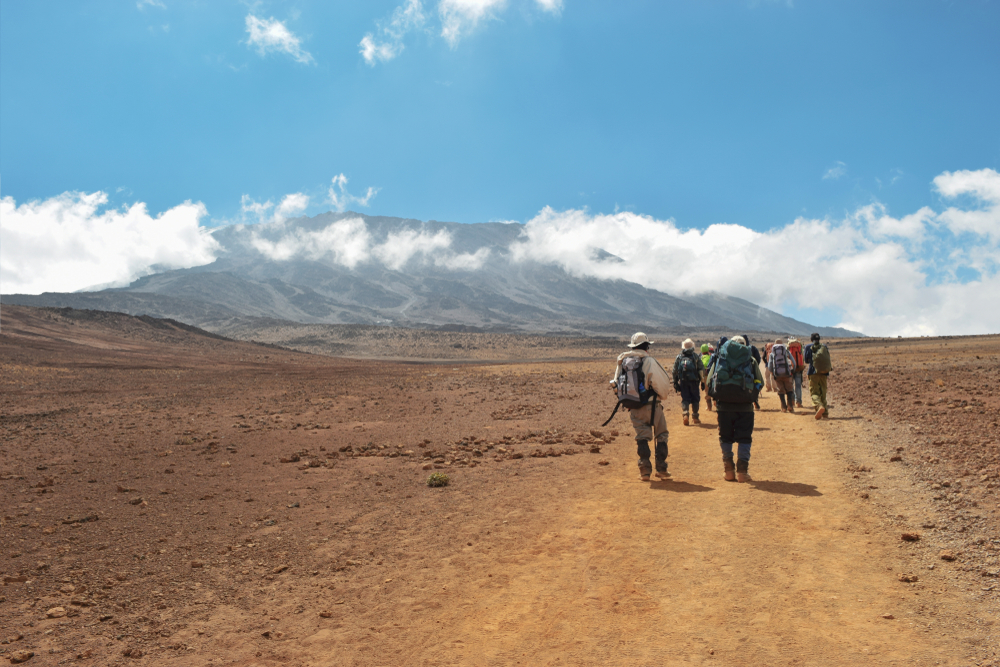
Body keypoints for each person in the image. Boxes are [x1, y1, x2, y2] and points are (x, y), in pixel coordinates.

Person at [611, 332, 673, 481]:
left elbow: (616, 384)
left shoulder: (623, 362)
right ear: (646, 346)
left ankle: (644, 470)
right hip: (653, 405)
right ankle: (661, 468)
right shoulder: (649, 361)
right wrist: (660, 396)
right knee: (661, 434)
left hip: (634, 407)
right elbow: (662, 383)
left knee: (641, 437)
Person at [705, 336, 763, 482]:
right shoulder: (751, 359)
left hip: (723, 406)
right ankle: (742, 472)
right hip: (745, 407)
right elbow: (759, 381)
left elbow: (709, 380)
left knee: (725, 437)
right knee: (744, 437)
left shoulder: (721, 358)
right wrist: (752, 395)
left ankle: (729, 470)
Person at [673, 338, 706, 426]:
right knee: (695, 398)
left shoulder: (679, 357)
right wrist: (702, 382)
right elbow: (701, 369)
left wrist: (675, 382)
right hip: (694, 382)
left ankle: (685, 414)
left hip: (683, 381)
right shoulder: (695, 356)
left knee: (685, 398)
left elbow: (674, 371)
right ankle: (695, 418)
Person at [804, 333, 833, 419]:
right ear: (819, 339)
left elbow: (806, 360)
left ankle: (819, 406)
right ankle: (825, 413)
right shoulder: (824, 346)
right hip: (824, 373)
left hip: (813, 372)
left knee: (814, 392)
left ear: (811, 339)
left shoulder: (808, 346)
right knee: (823, 392)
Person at [767, 338, 796, 413]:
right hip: (787, 374)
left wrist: (772, 373)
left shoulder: (772, 353)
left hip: (777, 374)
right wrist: (792, 370)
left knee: (780, 390)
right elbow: (794, 363)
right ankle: (790, 406)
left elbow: (770, 365)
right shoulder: (786, 351)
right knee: (789, 389)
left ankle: (783, 407)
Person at [742, 335, 762, 411]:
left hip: (742, 372)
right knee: (754, 386)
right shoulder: (752, 348)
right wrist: (754, 367)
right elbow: (758, 359)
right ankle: (755, 402)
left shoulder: (738, 349)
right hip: (752, 371)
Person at [786, 337, 806, 408]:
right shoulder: (799, 346)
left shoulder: (788, 346)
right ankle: (799, 402)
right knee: (798, 386)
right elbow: (802, 356)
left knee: (791, 385)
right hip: (799, 368)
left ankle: (792, 401)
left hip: (791, 368)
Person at [700, 344, 714, 411]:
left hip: (705, 375)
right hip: (712, 375)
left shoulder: (702, 357)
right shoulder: (711, 356)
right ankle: (716, 403)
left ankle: (709, 407)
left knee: (707, 390)